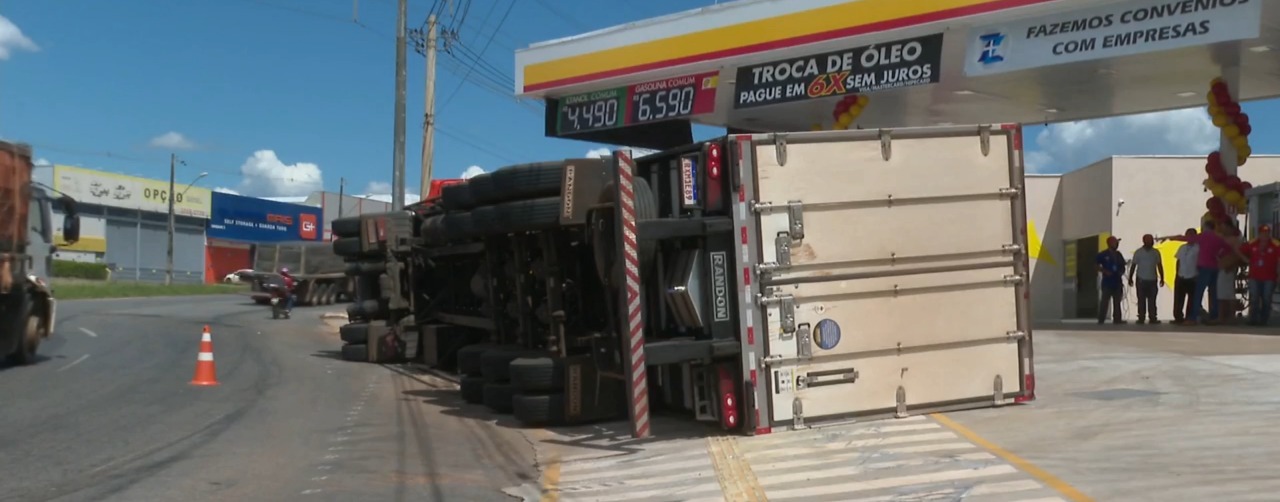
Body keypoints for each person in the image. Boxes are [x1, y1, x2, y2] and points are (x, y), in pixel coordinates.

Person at [1164, 221, 1244, 325]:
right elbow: (1228, 249)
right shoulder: (1218, 238)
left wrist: (1170, 238)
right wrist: (1219, 256)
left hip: (1204, 268)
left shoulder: (1203, 236)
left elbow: (1186, 238)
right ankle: (1214, 316)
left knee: (1198, 293)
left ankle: (1193, 317)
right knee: (1214, 292)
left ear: (1205, 227)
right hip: (1215, 267)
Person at [1241, 224, 1280, 326]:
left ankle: (1264, 320)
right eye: (1263, 233)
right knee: (1254, 298)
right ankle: (1253, 319)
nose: (1265, 235)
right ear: (1259, 234)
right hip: (1254, 276)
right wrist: (1246, 260)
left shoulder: (1276, 245)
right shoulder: (1252, 243)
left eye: (1267, 233)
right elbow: (1239, 250)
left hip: (1270, 277)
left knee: (1266, 298)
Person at [1128, 234, 1165, 324]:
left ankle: (1153, 317)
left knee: (1152, 300)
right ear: (1144, 241)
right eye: (1149, 240)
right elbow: (1133, 265)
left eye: (1151, 240)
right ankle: (1141, 317)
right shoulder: (1138, 252)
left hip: (1152, 280)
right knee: (1141, 300)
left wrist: (1162, 278)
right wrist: (1130, 278)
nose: (1151, 242)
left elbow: (1159, 265)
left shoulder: (1156, 252)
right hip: (1141, 279)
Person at [1096, 236, 1126, 324]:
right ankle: (1101, 319)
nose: (1116, 244)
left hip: (1117, 281)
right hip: (1107, 282)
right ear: (1109, 243)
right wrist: (1104, 271)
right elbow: (1095, 265)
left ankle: (1117, 319)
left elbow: (1122, 265)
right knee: (1104, 301)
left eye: (1117, 243)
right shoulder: (1103, 254)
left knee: (1117, 302)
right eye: (1115, 242)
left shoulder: (1118, 254)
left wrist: (1122, 271)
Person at [1172, 229, 1200, 324]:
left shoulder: (1198, 248)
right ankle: (1178, 317)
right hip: (1181, 275)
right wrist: (1177, 274)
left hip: (1193, 276)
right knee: (1179, 298)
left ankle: (1189, 317)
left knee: (1192, 299)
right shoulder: (1182, 247)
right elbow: (1178, 261)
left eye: (1191, 235)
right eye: (1187, 235)